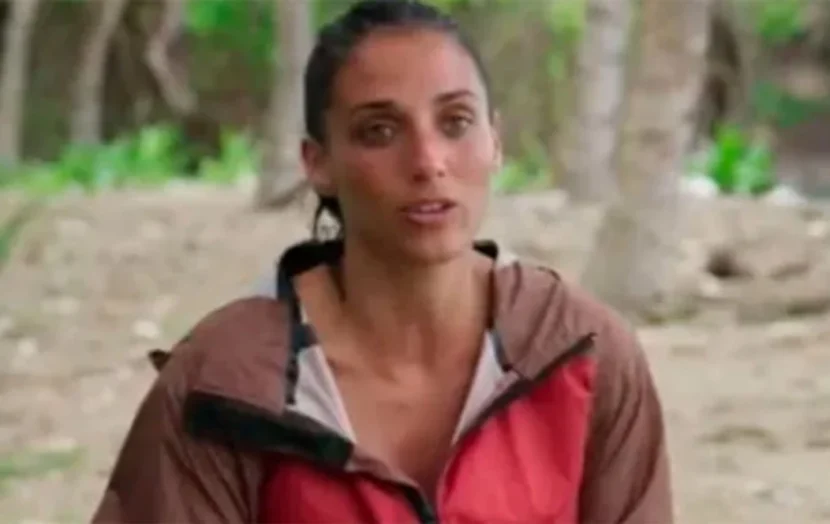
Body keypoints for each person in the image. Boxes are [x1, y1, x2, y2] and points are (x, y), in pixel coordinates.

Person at [91, 1, 673, 522]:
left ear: (495, 141)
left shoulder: (581, 352)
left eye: (456, 122)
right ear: (318, 164)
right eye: (380, 130)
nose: (428, 161)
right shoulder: (224, 384)